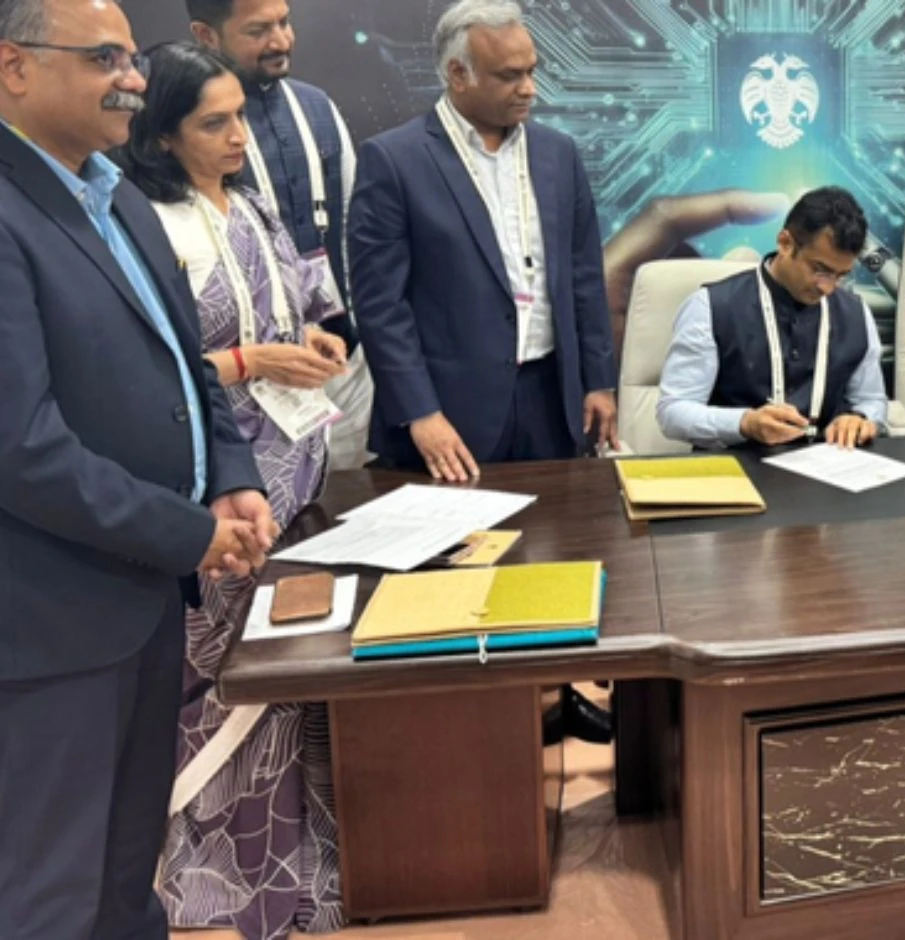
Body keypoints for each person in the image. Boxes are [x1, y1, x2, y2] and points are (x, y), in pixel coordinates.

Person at [0, 2, 274, 938]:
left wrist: (230, 471)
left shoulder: (114, 195)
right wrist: (188, 531)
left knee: (124, 877)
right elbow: (22, 449)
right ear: (14, 67)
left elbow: (183, 364)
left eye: (131, 57)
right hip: (47, 625)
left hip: (143, 599)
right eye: (104, 59)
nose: (132, 79)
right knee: (51, 893)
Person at [113, 42, 345, 937]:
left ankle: (303, 850)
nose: (239, 136)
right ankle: (219, 871)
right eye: (214, 123)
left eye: (240, 117)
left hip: (298, 465)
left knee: (299, 666)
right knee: (224, 679)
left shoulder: (251, 205)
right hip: (212, 480)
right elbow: (143, 373)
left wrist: (315, 342)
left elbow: (300, 311)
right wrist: (249, 362)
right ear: (160, 136)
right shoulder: (144, 223)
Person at [350, 0, 617, 742]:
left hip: (551, 392)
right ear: (457, 74)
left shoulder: (558, 153)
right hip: (451, 414)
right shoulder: (395, 160)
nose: (529, 87)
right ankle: (481, 731)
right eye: (509, 75)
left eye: (533, 70)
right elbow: (380, 305)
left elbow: (582, 273)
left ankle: (556, 697)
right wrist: (419, 412)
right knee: (460, 575)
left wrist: (598, 378)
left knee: (552, 558)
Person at [189, 0, 374, 471]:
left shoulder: (318, 107)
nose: (281, 40)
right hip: (245, 375)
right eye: (258, 31)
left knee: (347, 491)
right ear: (206, 35)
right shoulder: (184, 132)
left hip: (340, 352)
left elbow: (354, 221)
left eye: (284, 23)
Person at [656, 186, 888, 450]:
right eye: (820, 270)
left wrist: (861, 419)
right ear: (785, 243)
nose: (828, 287)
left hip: (828, 464)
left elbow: (872, 400)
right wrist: (743, 423)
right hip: (737, 465)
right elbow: (672, 412)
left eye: (841, 275)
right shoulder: (711, 306)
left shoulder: (856, 312)